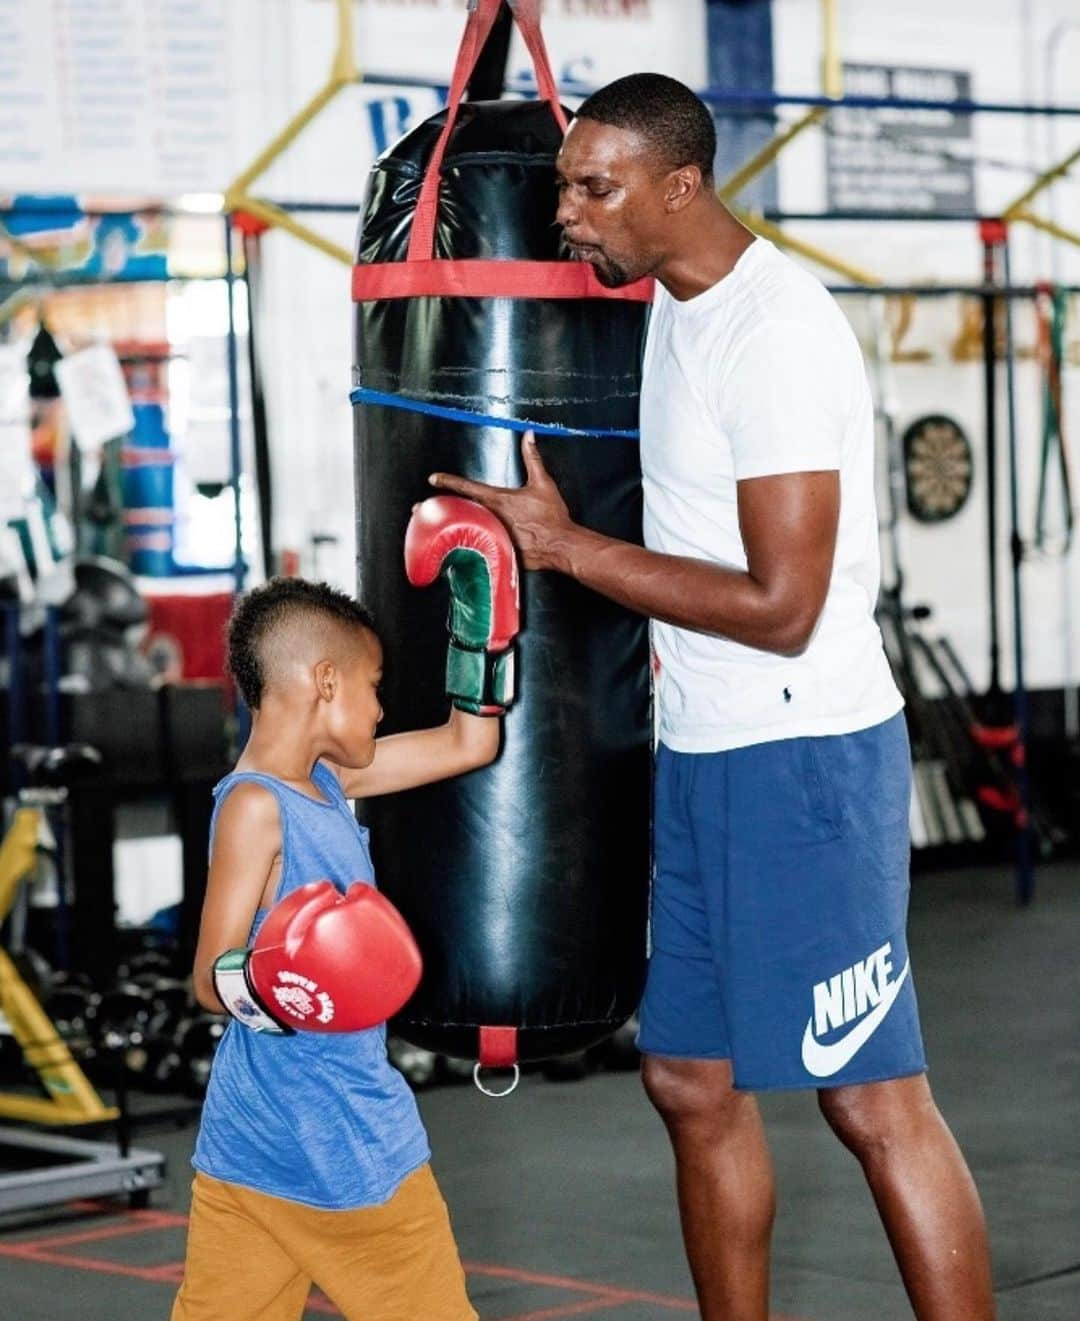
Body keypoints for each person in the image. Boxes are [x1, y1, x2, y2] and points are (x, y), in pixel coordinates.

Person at [429, 72, 996, 1321]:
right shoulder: (673, 304)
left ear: (679, 187)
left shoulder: (774, 331)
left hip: (800, 754)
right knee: (688, 1078)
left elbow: (783, 606)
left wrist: (568, 551)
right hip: (701, 750)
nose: (565, 214)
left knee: (869, 1096)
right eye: (565, 184)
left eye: (594, 188)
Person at [171, 526, 516, 1320]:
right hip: (327, 1152)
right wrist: (299, 979)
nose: (383, 704)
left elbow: (472, 740)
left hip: (275, 1144)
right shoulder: (256, 804)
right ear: (326, 681)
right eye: (375, 684)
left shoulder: (335, 777)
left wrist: (481, 623)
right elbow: (208, 978)